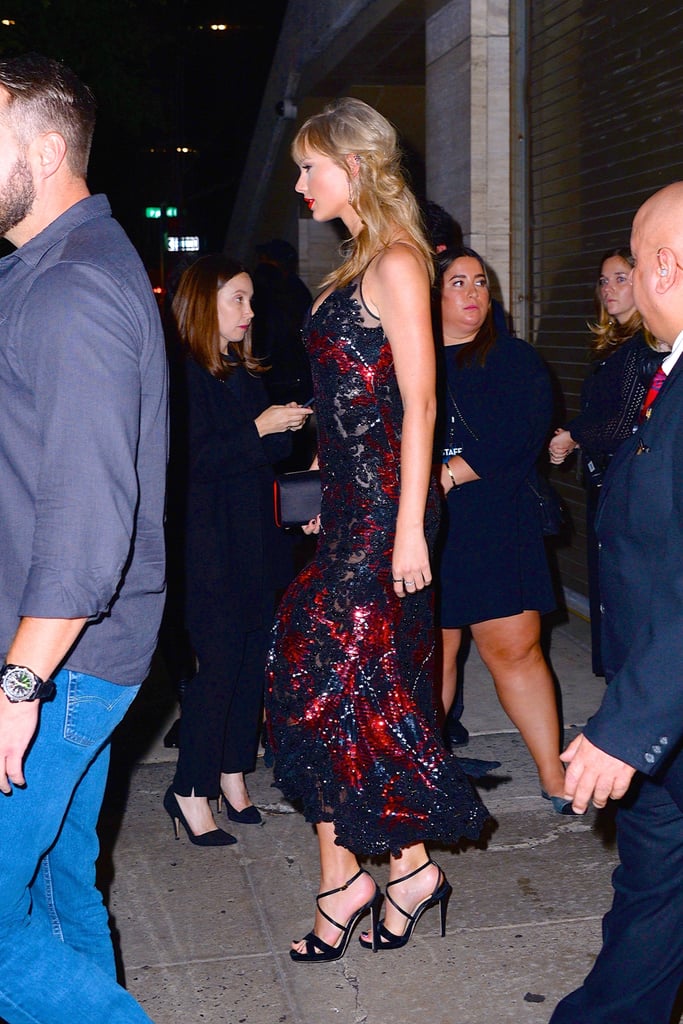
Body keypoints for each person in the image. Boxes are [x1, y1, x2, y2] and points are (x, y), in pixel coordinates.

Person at [265, 96, 490, 965]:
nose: (297, 185)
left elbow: (421, 403)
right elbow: (350, 409)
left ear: (351, 167)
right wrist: (335, 488)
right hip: (355, 507)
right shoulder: (359, 260)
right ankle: (400, 869)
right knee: (339, 688)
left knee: (323, 673)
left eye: (308, 167)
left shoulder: (397, 262)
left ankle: (363, 880)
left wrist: (405, 531)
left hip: (386, 514)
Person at [0, 53, 167, 1024]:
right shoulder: (45, 273)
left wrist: (18, 685)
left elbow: (88, 526)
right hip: (58, 656)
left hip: (56, 667)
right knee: (61, 890)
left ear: (50, 147)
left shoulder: (76, 291)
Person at [549, 181, 683, 1023]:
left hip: (657, 709)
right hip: (658, 714)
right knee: (650, 899)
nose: (626, 281)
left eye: (632, 265)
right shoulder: (662, 369)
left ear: (664, 267)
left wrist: (627, 728)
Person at [163, 254, 312, 845]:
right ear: (204, 302)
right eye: (238, 300)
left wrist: (285, 439)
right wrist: (260, 429)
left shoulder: (240, 370)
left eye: (251, 300)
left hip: (257, 540)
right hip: (209, 547)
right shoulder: (180, 373)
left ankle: (232, 773)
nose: (250, 312)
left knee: (253, 665)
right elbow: (192, 463)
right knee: (218, 670)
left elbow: (262, 460)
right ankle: (189, 788)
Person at [434, 246, 570, 811]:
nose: (472, 293)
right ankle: (426, 778)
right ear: (433, 295)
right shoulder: (408, 359)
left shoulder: (513, 357)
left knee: (515, 652)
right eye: (458, 282)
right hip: (429, 529)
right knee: (429, 658)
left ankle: (554, 775)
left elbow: (525, 430)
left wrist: (448, 472)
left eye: (481, 282)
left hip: (496, 520)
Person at [548, 248, 663, 675]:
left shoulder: (649, 344)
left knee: (630, 598)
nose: (609, 288)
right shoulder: (617, 345)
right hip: (609, 487)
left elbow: (632, 417)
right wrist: (574, 436)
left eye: (620, 278)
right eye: (603, 280)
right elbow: (604, 415)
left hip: (632, 492)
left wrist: (575, 435)